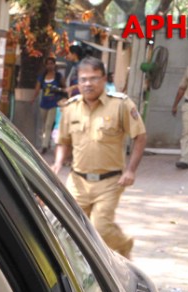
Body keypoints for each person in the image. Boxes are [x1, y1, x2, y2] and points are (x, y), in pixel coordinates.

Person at [52, 56, 147, 259]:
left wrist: (131, 170)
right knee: (71, 228)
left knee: (100, 227)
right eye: (83, 79)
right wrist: (59, 162)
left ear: (104, 80)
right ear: (77, 81)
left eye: (94, 78)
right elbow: (63, 141)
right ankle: (88, 267)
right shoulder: (70, 107)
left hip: (109, 181)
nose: (88, 83)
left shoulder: (121, 105)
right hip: (77, 181)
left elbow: (140, 136)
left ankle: (123, 244)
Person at [35, 56, 66, 154]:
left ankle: (44, 146)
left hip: (54, 103)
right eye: (48, 63)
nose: (50, 65)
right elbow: (37, 88)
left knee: (48, 124)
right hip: (44, 103)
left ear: (54, 64)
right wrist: (33, 98)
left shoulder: (58, 76)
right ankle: (46, 142)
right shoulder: (42, 76)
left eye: (51, 63)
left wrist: (61, 93)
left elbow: (64, 87)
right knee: (44, 124)